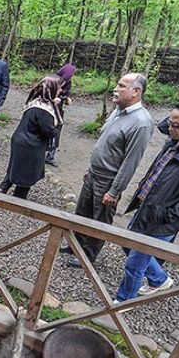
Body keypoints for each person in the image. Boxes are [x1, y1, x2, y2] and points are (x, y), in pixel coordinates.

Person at [115, 101, 179, 301]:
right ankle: (159, 279)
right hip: (146, 209)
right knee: (128, 245)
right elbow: (164, 127)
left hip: (161, 221)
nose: (170, 128)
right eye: (170, 122)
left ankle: (122, 303)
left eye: (176, 125)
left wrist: (165, 215)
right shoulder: (174, 140)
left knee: (134, 264)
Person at [61, 73, 154, 268]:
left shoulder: (141, 123)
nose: (116, 88)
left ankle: (88, 256)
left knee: (100, 219)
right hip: (94, 174)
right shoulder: (118, 111)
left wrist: (115, 190)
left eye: (121, 85)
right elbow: (104, 143)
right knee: (82, 211)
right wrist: (90, 168)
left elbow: (131, 162)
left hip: (109, 180)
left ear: (135, 92)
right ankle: (75, 244)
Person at [0, 76, 63, 199]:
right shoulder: (44, 110)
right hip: (31, 145)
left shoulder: (34, 102)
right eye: (58, 88)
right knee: (27, 174)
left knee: (14, 166)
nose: (59, 91)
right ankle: (18, 199)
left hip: (19, 140)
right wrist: (57, 128)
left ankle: (3, 188)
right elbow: (48, 131)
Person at [45, 63, 76, 167]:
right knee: (46, 130)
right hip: (48, 110)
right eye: (72, 74)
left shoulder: (68, 83)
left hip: (59, 111)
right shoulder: (52, 81)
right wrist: (53, 99)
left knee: (57, 132)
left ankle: (50, 156)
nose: (72, 76)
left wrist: (66, 99)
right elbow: (43, 95)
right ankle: (40, 154)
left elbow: (67, 95)